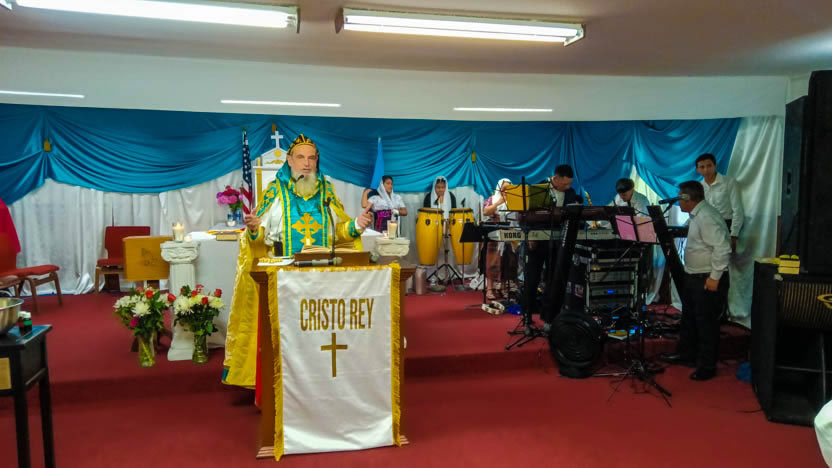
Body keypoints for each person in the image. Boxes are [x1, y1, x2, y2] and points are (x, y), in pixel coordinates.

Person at [223, 133, 373, 388]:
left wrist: (356, 225)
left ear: (317, 161)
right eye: (300, 157)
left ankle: (319, 380)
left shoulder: (326, 191)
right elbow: (260, 236)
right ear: (290, 161)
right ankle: (283, 383)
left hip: (322, 276)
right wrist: (254, 229)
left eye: (311, 158)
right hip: (285, 276)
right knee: (288, 333)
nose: (306, 163)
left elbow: (338, 233)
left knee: (318, 331)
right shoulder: (275, 191)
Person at [661, 181, 731, 381]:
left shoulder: (706, 216)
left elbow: (723, 248)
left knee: (706, 323)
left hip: (707, 277)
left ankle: (707, 366)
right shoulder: (697, 215)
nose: (678, 202)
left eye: (680, 197)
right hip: (694, 275)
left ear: (687, 198)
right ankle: (687, 354)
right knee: (689, 319)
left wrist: (714, 277)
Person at [525, 165, 582, 326]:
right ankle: (527, 315)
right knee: (532, 278)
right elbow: (526, 215)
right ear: (555, 178)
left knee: (553, 279)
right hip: (537, 239)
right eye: (564, 184)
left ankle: (549, 317)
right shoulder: (538, 188)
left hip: (558, 240)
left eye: (569, 184)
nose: (568, 187)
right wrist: (530, 234)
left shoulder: (570, 193)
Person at [695, 153, 744, 252]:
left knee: (724, 259)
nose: (706, 170)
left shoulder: (729, 182)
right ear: (697, 170)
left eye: (709, 166)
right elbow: (698, 210)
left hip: (725, 227)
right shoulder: (699, 187)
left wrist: (734, 234)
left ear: (715, 166)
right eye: (702, 167)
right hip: (706, 228)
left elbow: (737, 210)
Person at [482, 178, 511, 302]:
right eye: (504, 189)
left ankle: (503, 287)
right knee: (492, 259)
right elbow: (485, 212)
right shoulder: (492, 199)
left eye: (508, 189)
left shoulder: (514, 199)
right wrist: (499, 202)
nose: (506, 192)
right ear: (499, 188)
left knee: (508, 259)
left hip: (509, 231)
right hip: (494, 231)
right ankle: (490, 288)